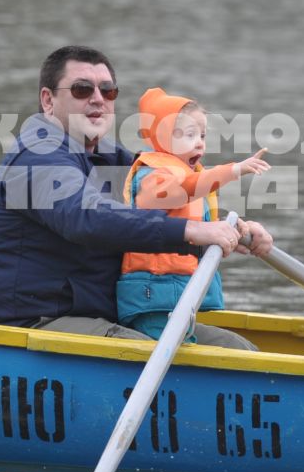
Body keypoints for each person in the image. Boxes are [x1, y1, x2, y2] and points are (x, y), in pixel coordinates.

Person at [0, 45, 276, 347]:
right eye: (81, 89)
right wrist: (193, 232)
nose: (98, 99)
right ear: (48, 101)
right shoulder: (37, 158)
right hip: (33, 323)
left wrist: (231, 230)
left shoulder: (112, 157)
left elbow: (167, 198)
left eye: (108, 91)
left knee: (237, 349)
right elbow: (88, 218)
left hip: (105, 314)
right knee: (144, 354)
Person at [117, 88, 273, 347]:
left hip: (178, 295)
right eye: (189, 135)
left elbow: (201, 224)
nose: (200, 142)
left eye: (202, 135)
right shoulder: (152, 177)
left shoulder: (189, 176)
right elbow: (182, 191)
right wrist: (233, 170)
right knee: (168, 352)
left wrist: (242, 231)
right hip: (152, 296)